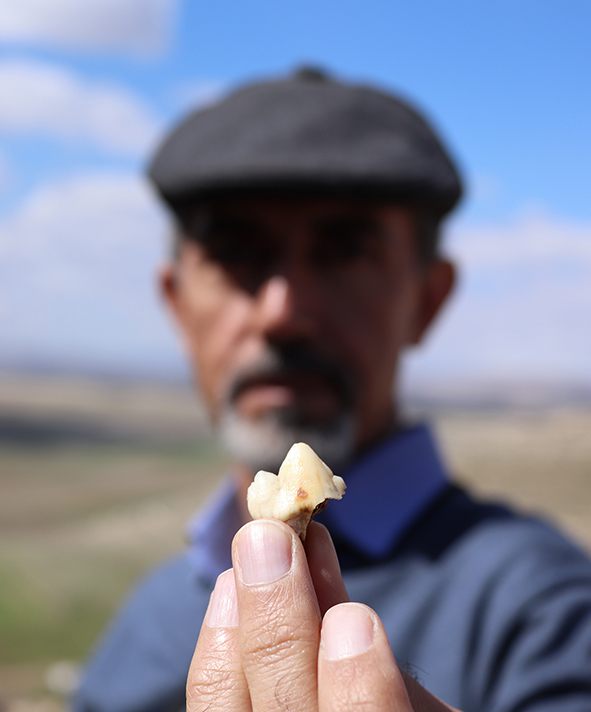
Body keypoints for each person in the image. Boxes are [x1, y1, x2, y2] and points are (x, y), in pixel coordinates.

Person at [73, 67, 591, 711]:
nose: (283, 311)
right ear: (177, 306)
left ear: (427, 301)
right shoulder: (145, 621)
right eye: (236, 252)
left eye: (343, 250)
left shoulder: (547, 614)